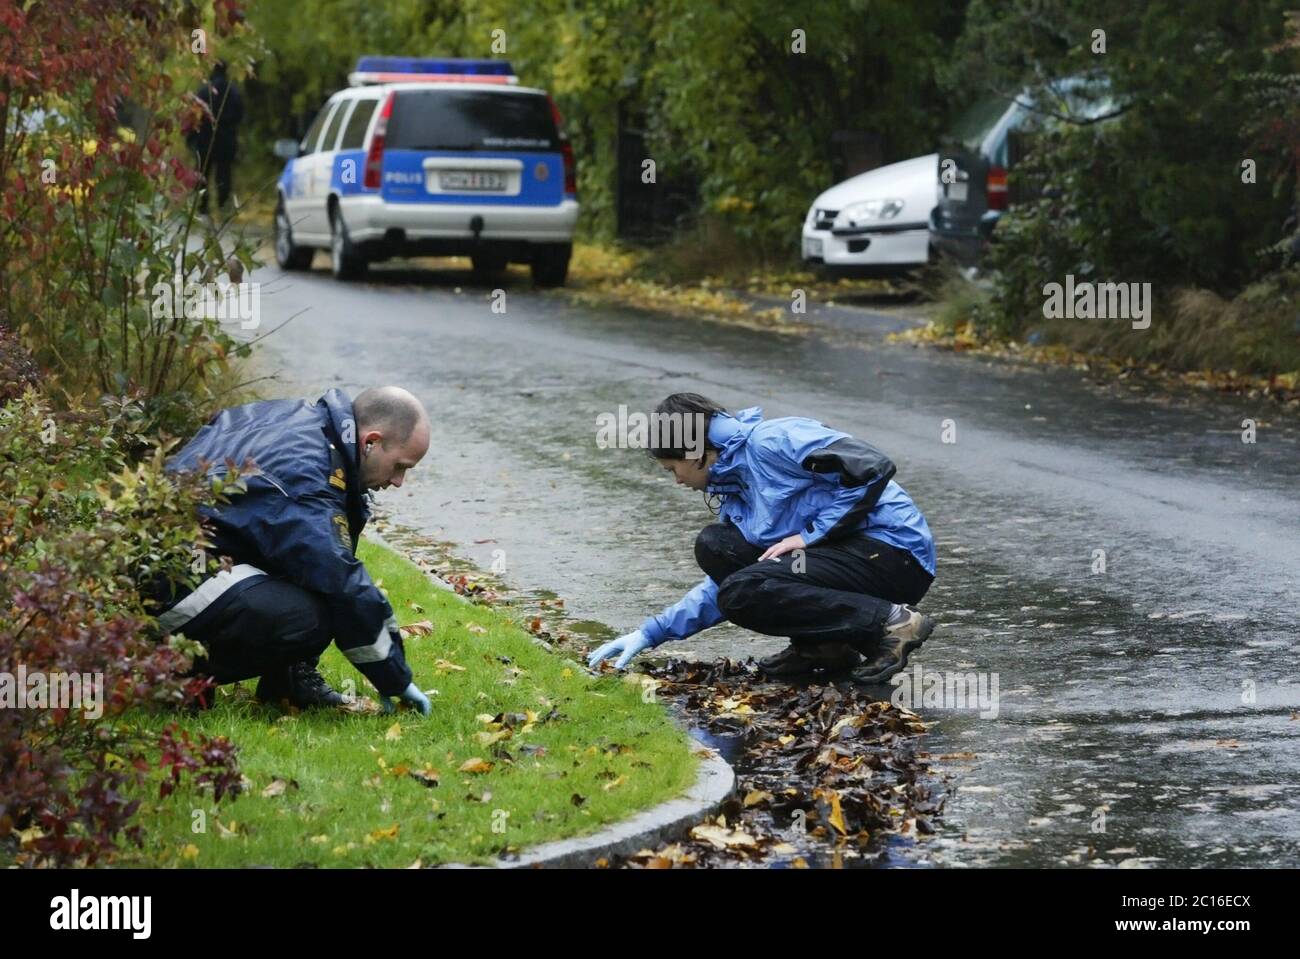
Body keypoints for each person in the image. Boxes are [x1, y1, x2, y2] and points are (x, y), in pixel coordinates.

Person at [588, 393, 937, 683]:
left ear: (695, 453)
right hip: (844, 560)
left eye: (672, 469)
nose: (676, 480)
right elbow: (734, 582)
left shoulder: (774, 439)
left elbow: (871, 467)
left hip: (894, 555)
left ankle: (894, 622)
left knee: (741, 589)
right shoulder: (734, 488)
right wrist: (651, 633)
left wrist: (809, 536)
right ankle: (824, 647)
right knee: (717, 548)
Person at [152, 387, 433, 713]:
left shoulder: (301, 423)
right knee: (313, 614)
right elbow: (339, 581)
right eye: (401, 466)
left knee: (308, 567)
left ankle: (289, 682)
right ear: (370, 442)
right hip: (174, 580)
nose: (398, 481)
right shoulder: (309, 471)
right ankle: (177, 677)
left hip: (163, 564)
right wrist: (396, 680)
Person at [187, 60, 244, 216]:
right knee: (224, 174)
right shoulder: (232, 92)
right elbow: (239, 115)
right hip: (226, 141)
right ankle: (223, 204)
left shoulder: (204, 91)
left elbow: (194, 116)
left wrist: (191, 139)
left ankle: (202, 205)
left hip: (205, 140)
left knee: (203, 173)